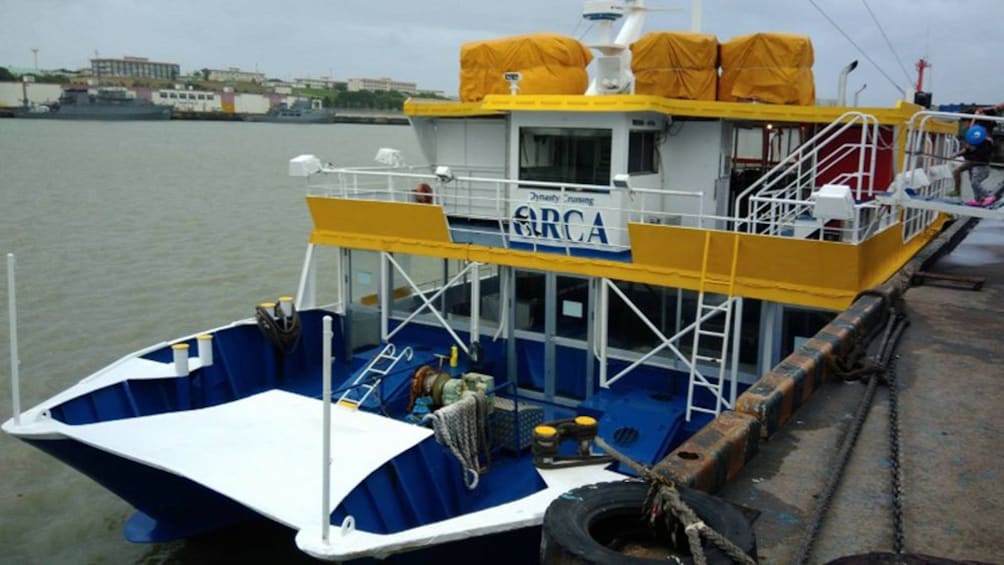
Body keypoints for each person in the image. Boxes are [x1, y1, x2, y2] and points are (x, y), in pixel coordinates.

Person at [951, 124, 996, 207]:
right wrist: (958, 154)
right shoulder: (975, 143)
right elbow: (968, 150)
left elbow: (983, 153)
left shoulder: (986, 143)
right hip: (975, 165)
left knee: (974, 182)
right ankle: (978, 199)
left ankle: (989, 196)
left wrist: (970, 149)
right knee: (972, 182)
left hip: (982, 166)